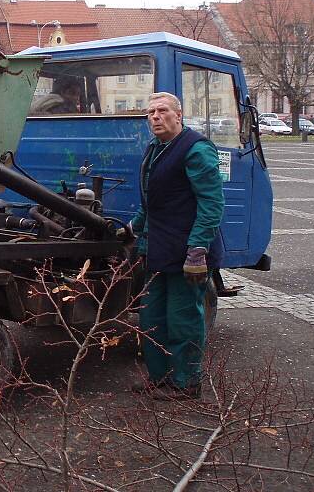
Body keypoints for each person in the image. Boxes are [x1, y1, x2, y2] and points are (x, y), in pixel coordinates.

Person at [127, 92, 225, 400]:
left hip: (187, 254)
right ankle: (161, 378)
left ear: (178, 115)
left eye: (162, 110)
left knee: (183, 320)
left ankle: (186, 383)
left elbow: (211, 203)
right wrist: (132, 228)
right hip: (157, 250)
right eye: (150, 112)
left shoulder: (196, 149)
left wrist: (198, 249)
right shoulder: (155, 148)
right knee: (152, 317)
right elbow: (152, 202)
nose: (155, 116)